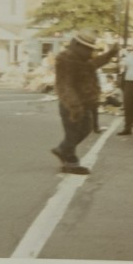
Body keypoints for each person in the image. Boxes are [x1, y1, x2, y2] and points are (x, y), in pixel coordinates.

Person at [50, 30, 118, 173]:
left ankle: (64, 151)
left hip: (84, 102)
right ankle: (70, 161)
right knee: (73, 133)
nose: (89, 51)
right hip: (72, 104)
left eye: (90, 48)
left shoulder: (82, 60)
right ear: (76, 44)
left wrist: (110, 54)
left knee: (85, 129)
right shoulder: (66, 59)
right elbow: (65, 85)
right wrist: (74, 106)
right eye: (87, 48)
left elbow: (94, 64)